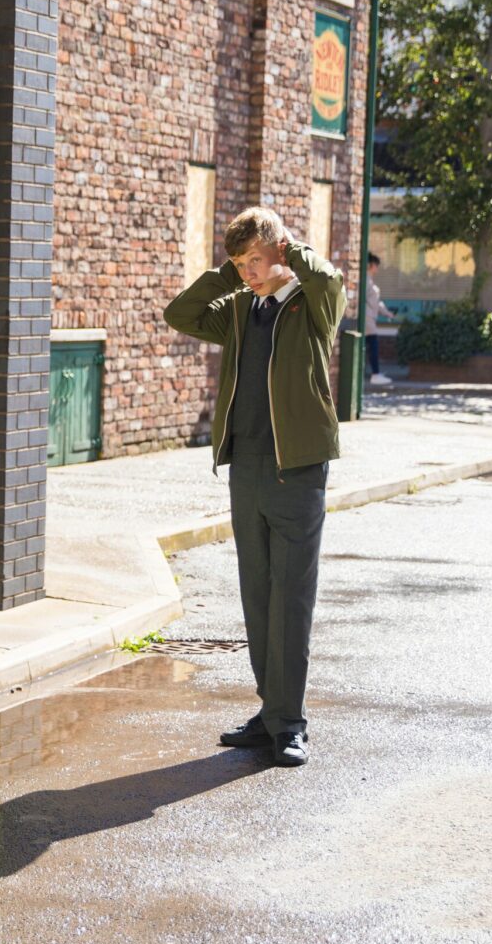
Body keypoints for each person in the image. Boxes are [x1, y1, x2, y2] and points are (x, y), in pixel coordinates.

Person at [163, 207, 345, 768]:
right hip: (248, 468)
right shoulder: (240, 307)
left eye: (255, 260)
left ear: (280, 250)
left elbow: (332, 281)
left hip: (297, 468)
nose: (247, 272)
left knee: (290, 597)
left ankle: (291, 723)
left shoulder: (312, 304)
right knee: (258, 594)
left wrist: (291, 259)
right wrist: (228, 272)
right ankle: (270, 713)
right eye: (240, 263)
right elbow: (180, 313)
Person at [364, 251, 396, 385]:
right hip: (367, 319)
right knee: (373, 345)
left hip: (370, 318)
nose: (377, 269)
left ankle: (374, 373)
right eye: (376, 265)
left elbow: (376, 302)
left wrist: (387, 313)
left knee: (370, 346)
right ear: (371, 265)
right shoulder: (365, 281)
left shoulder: (369, 281)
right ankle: (375, 374)